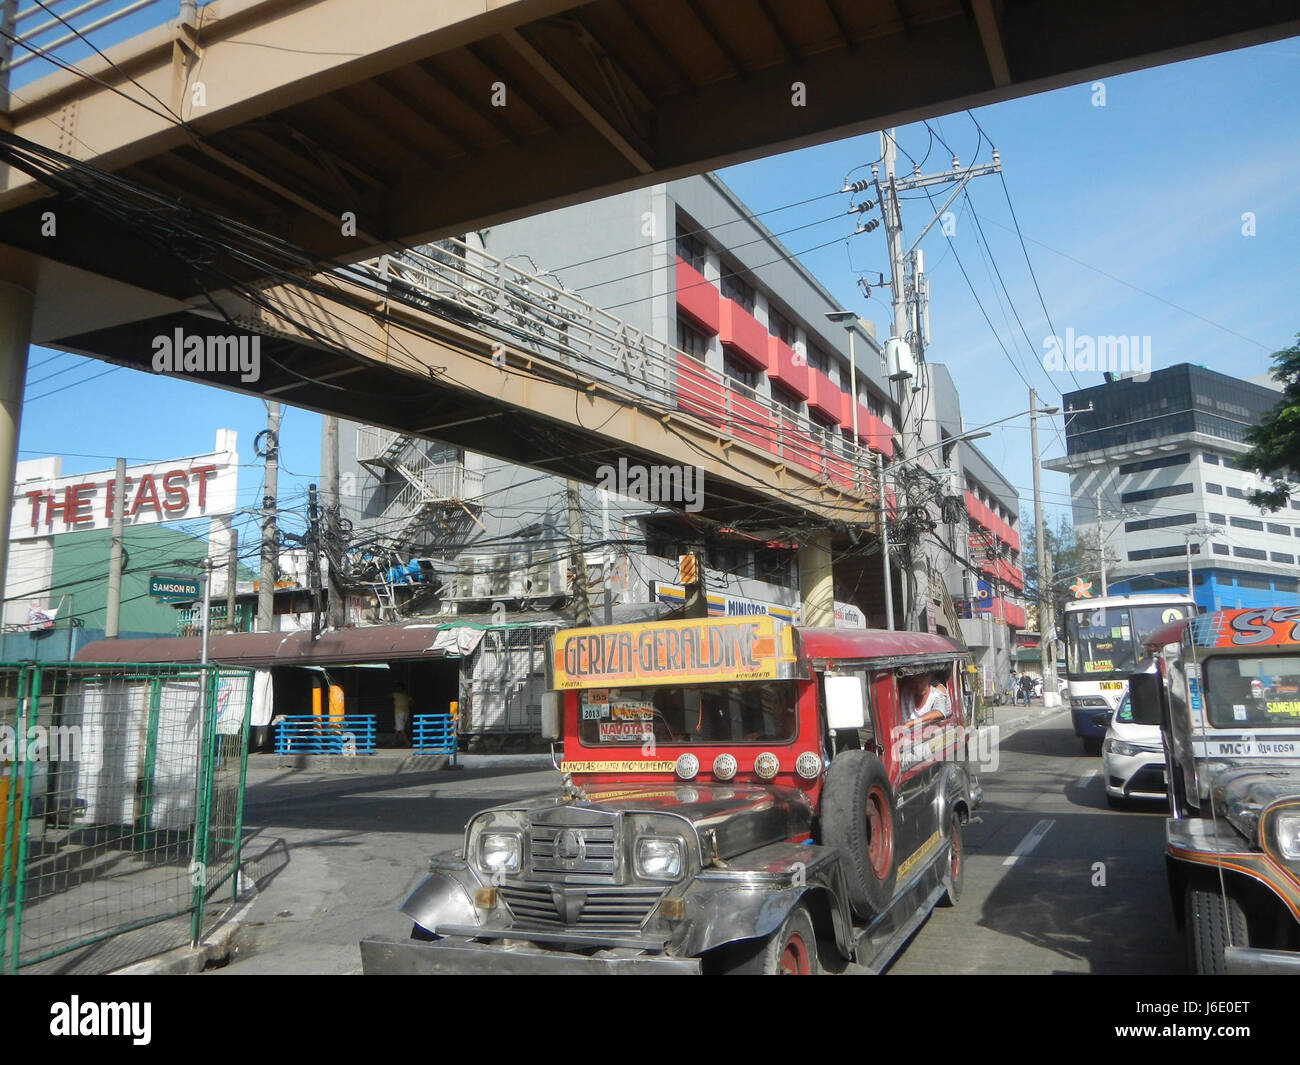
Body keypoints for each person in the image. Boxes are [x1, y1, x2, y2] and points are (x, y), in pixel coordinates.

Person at [392, 682, 411, 747]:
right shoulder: (406, 695)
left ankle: (407, 743)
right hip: (406, 712)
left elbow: (388, 697)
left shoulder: (395, 694)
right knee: (398, 728)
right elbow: (411, 702)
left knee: (401, 728)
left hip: (398, 712)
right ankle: (393, 742)